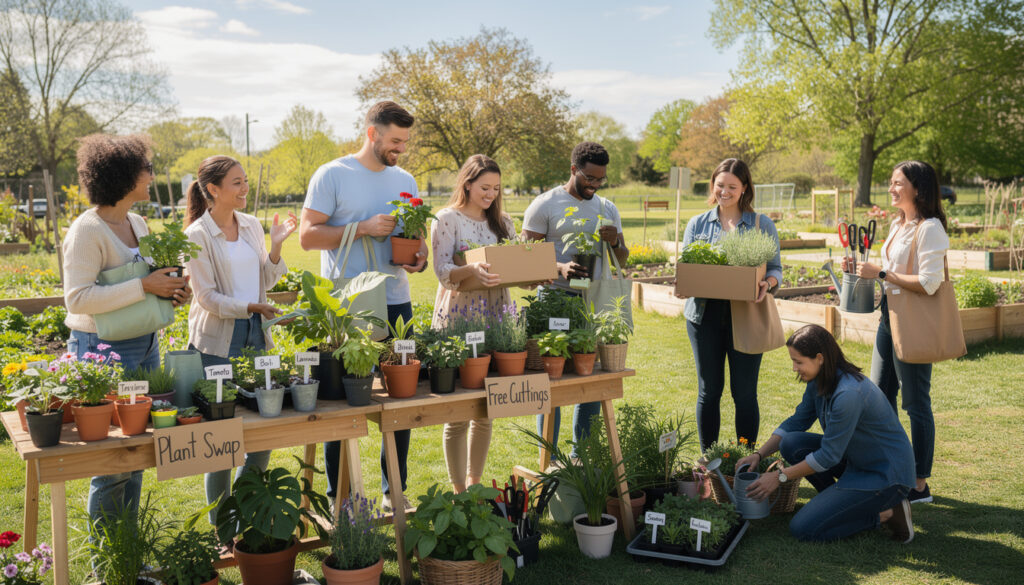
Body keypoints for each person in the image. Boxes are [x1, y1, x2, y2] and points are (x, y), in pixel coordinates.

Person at [300, 100, 427, 510]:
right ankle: (341, 497)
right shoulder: (333, 175)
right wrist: (363, 229)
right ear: (372, 133)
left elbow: (415, 236)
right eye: (394, 140)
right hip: (349, 309)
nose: (400, 149)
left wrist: (419, 254)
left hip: (396, 302)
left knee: (402, 399)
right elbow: (307, 236)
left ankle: (395, 491)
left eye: (405, 141)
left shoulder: (404, 178)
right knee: (346, 401)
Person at [62, 133, 191, 526]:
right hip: (104, 349)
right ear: (122, 176)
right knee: (112, 462)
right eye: (146, 169)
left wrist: (171, 290)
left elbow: (149, 283)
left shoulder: (138, 222)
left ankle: (128, 553)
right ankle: (109, 564)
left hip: (144, 342)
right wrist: (144, 286)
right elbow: (77, 299)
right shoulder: (87, 231)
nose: (151, 176)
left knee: (135, 455)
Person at [182, 155, 297, 526]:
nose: (245, 188)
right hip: (218, 342)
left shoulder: (250, 224)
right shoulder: (197, 235)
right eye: (237, 182)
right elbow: (207, 298)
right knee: (221, 440)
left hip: (256, 334)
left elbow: (268, 277)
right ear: (213, 190)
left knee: (262, 431)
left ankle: (245, 509)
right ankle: (224, 528)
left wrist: (276, 246)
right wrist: (249, 305)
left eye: (245, 181)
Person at [736, 325, 916, 543]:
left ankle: (887, 513)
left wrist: (779, 476)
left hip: (885, 475)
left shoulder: (848, 394)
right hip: (856, 460)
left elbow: (828, 457)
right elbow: (797, 421)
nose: (794, 368)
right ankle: (838, 505)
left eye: (798, 361)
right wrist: (759, 455)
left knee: (803, 529)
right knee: (791, 443)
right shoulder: (820, 380)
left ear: (819, 358)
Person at [843, 160, 949, 504]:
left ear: (917, 188)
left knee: (916, 403)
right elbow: (888, 271)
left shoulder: (929, 228)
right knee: (879, 396)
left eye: (897, 183)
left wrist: (883, 275)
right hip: (890, 320)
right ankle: (892, 467)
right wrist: (865, 271)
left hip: (914, 325)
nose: (891, 188)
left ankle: (919, 484)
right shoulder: (897, 225)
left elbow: (931, 283)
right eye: (890, 182)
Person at [522, 141, 628, 457]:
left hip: (591, 302)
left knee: (590, 380)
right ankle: (548, 457)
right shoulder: (544, 205)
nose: (594, 185)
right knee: (549, 380)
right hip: (552, 300)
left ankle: (581, 455)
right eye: (589, 178)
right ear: (573, 170)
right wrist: (559, 267)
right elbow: (525, 259)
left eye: (600, 180)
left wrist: (615, 244)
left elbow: (622, 260)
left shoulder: (607, 209)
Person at [677, 158, 782, 452]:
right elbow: (687, 266)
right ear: (713, 185)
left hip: (746, 316)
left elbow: (776, 269)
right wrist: (683, 284)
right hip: (703, 317)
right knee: (709, 392)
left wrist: (768, 283)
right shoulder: (698, 224)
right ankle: (709, 459)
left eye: (732, 186)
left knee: (744, 393)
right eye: (720, 185)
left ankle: (745, 457)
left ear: (745, 188)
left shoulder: (761, 224)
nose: (725, 191)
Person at [430, 154, 516, 492]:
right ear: (466, 183)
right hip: (459, 315)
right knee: (459, 411)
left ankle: (475, 485)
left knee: (486, 410)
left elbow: (512, 264)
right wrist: (471, 269)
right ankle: (458, 492)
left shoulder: (503, 222)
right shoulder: (446, 219)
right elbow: (441, 272)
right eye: (484, 187)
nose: (491, 194)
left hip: (497, 315)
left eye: (496, 188)